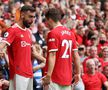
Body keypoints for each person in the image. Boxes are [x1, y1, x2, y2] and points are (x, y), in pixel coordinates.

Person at [42, 8, 81, 90]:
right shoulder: (71, 33)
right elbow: (76, 56)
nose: (46, 23)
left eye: (46, 20)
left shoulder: (53, 33)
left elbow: (52, 55)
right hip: (67, 78)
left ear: (50, 19)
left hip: (54, 77)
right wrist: (78, 73)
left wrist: (48, 75)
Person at [0, 5, 36, 90]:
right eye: (30, 17)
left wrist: (44, 60)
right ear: (22, 15)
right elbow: (1, 46)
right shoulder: (12, 30)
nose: (32, 20)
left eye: (34, 17)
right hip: (18, 73)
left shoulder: (28, 32)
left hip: (29, 73)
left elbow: (31, 53)